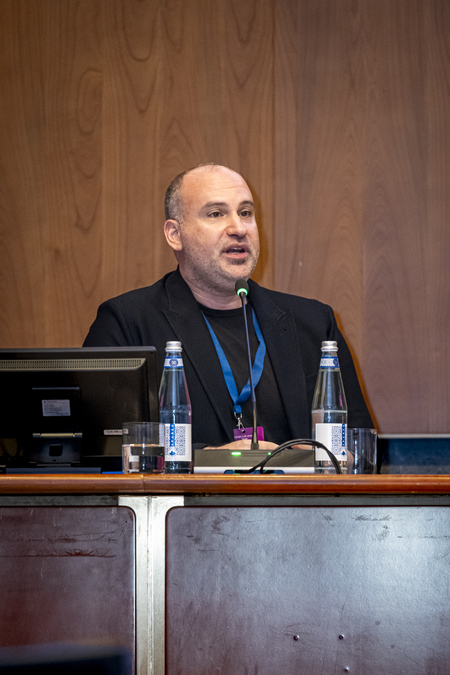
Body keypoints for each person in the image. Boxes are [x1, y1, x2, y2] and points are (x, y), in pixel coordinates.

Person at [83, 163, 373, 449]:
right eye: (216, 214)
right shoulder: (126, 323)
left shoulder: (314, 323)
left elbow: (360, 448)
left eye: (245, 213)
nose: (238, 228)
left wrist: (318, 460)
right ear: (175, 234)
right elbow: (105, 449)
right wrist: (208, 461)